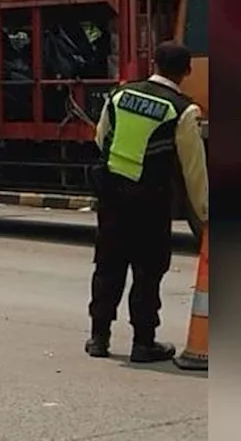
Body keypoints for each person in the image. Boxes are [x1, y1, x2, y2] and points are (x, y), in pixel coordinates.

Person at [86, 41, 208, 362]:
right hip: (150, 202)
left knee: (108, 265)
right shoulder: (183, 110)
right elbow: (193, 168)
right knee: (147, 271)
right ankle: (143, 343)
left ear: (153, 64)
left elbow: (101, 138)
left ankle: (99, 338)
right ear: (187, 71)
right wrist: (204, 213)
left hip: (112, 195)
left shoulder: (120, 94)